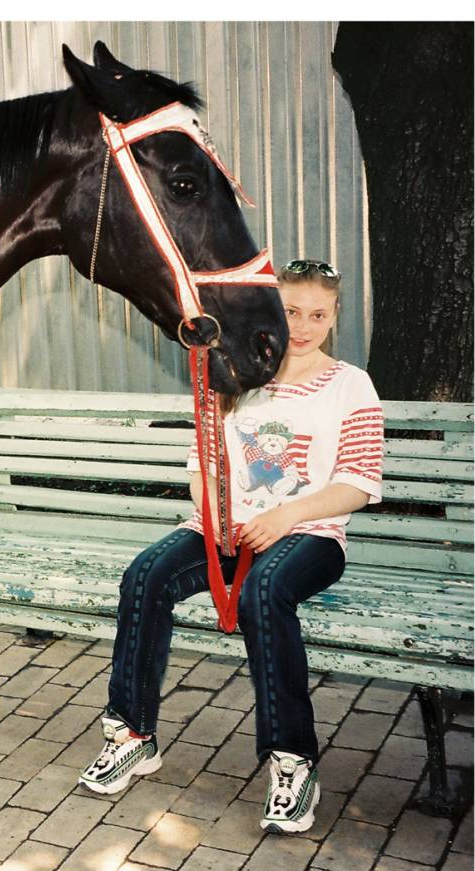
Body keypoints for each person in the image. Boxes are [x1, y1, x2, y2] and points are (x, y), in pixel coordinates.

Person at [76, 259, 385, 834]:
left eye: (318, 314)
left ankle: (293, 763)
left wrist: (285, 515)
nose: (303, 325)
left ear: (335, 316)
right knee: (145, 576)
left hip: (308, 535)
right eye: (291, 310)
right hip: (223, 529)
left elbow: (359, 484)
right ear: (270, 308)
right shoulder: (237, 375)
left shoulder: (350, 383)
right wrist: (216, 515)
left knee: (263, 594)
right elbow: (204, 464)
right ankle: (133, 734)